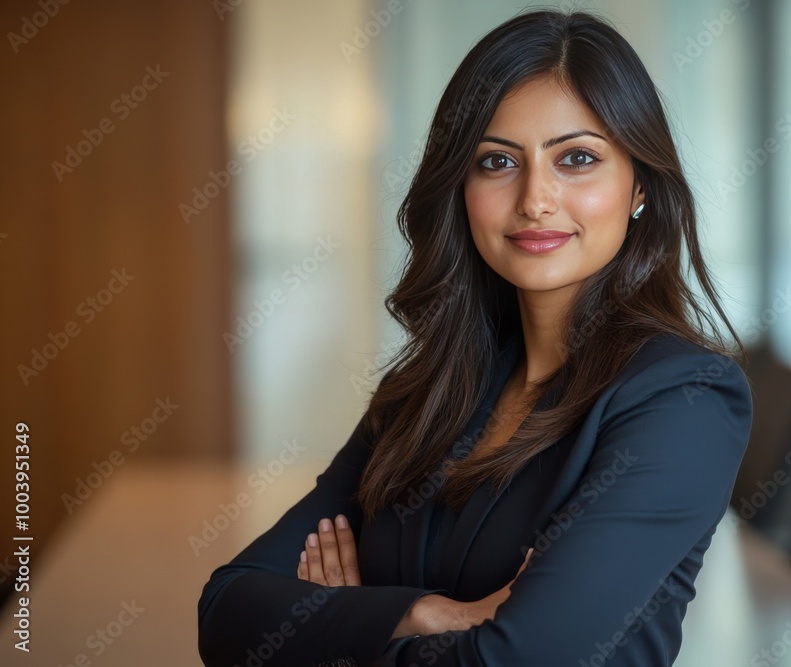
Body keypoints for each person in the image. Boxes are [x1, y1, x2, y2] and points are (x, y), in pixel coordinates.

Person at [198, 9, 752, 667]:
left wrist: (341, 627)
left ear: (638, 186)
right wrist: (431, 614)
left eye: (577, 158)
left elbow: (517, 660)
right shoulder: (422, 394)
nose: (535, 199)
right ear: (460, 187)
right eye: (496, 161)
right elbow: (226, 612)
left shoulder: (683, 397)